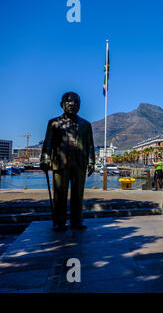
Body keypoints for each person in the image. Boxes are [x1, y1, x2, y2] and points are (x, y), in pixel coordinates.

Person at [40, 92, 95, 231]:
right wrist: (45, 158)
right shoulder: (54, 123)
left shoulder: (86, 125)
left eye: (76, 102)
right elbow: (48, 143)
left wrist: (91, 161)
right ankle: (60, 221)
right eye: (69, 101)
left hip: (80, 163)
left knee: (78, 193)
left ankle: (77, 220)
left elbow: (90, 145)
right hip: (60, 163)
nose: (72, 104)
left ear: (80, 105)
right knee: (60, 193)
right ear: (62, 104)